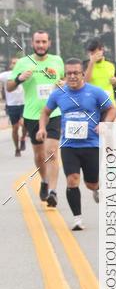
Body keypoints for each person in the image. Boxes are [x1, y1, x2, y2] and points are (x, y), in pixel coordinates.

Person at [38, 58, 116, 230]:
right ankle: (77, 219)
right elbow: (45, 112)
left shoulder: (95, 92)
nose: (72, 76)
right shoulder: (59, 93)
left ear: (82, 74)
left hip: (91, 144)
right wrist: (42, 127)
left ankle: (96, 188)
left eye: (76, 73)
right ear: (65, 75)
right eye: (69, 73)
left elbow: (111, 109)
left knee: (91, 183)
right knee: (72, 180)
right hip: (69, 146)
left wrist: (105, 124)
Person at [7, 30, 64, 206]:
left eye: (43, 42)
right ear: (32, 43)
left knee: (52, 152)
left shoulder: (57, 61)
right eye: (37, 42)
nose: (40, 45)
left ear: (49, 43)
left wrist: (63, 84)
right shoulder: (23, 63)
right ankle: (45, 181)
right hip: (32, 115)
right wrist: (18, 78)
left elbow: (63, 81)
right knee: (39, 155)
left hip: (53, 113)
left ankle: (53, 192)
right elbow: (8, 87)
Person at [0, 58, 27, 156]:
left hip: (24, 104)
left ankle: (23, 138)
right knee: (15, 128)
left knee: (24, 124)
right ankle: (17, 148)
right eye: (13, 63)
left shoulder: (25, 74)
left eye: (17, 63)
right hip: (12, 105)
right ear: (11, 65)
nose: (15, 65)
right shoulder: (6, 75)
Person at [85, 39, 116, 107]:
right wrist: (91, 63)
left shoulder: (111, 65)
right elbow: (85, 82)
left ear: (101, 50)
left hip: (109, 103)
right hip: (93, 103)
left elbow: (115, 84)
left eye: (95, 53)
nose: (93, 56)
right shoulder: (85, 65)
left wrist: (114, 81)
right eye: (91, 54)